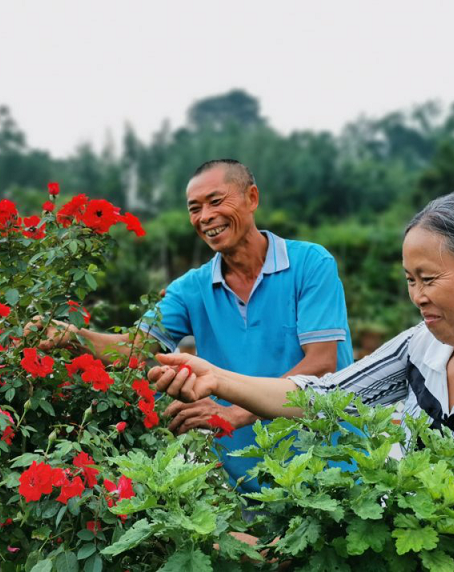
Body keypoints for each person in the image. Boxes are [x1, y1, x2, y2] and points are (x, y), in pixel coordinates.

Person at [150, 190, 454, 474]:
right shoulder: (423, 346)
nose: (417, 296)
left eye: (429, 279)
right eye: (409, 280)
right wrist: (217, 378)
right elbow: (326, 397)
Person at [31, 159, 355, 492]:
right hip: (251, 483)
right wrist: (74, 337)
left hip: (328, 466)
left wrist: (235, 413)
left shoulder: (310, 264)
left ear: (252, 198)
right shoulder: (191, 289)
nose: (205, 217)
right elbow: (134, 348)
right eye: (194, 208)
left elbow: (320, 365)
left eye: (216, 201)